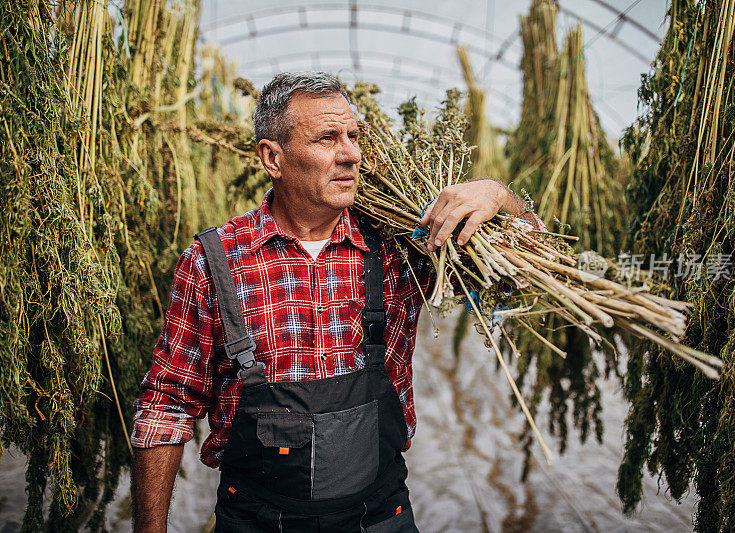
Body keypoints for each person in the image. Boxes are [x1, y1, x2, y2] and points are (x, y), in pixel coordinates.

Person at [130, 71, 546, 533]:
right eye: (328, 138)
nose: (351, 153)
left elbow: (530, 275)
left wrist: (497, 195)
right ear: (273, 157)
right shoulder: (214, 261)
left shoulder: (402, 247)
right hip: (256, 521)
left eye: (354, 135)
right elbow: (166, 405)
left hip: (378, 517)